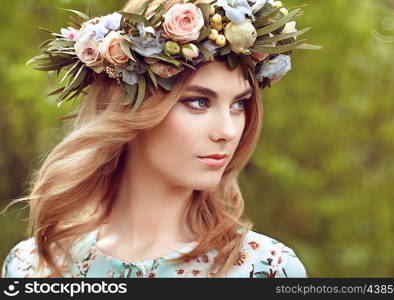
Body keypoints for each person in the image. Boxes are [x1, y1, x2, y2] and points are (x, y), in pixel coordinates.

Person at [1, 0, 314, 278]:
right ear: (130, 107)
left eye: (239, 104)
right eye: (199, 102)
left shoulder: (265, 268)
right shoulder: (33, 266)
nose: (228, 131)